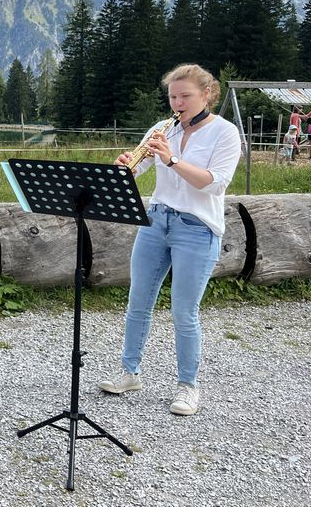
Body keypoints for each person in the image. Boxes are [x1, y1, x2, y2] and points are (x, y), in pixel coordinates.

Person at [98, 64, 241, 416]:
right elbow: (140, 169)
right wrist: (125, 166)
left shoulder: (225, 133)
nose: (178, 103)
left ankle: (188, 386)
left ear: (207, 94)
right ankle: (129, 373)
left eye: (185, 96)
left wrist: (173, 159)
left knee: (184, 312)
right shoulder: (163, 128)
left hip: (197, 227)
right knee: (138, 301)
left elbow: (214, 183)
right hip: (155, 220)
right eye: (173, 96)